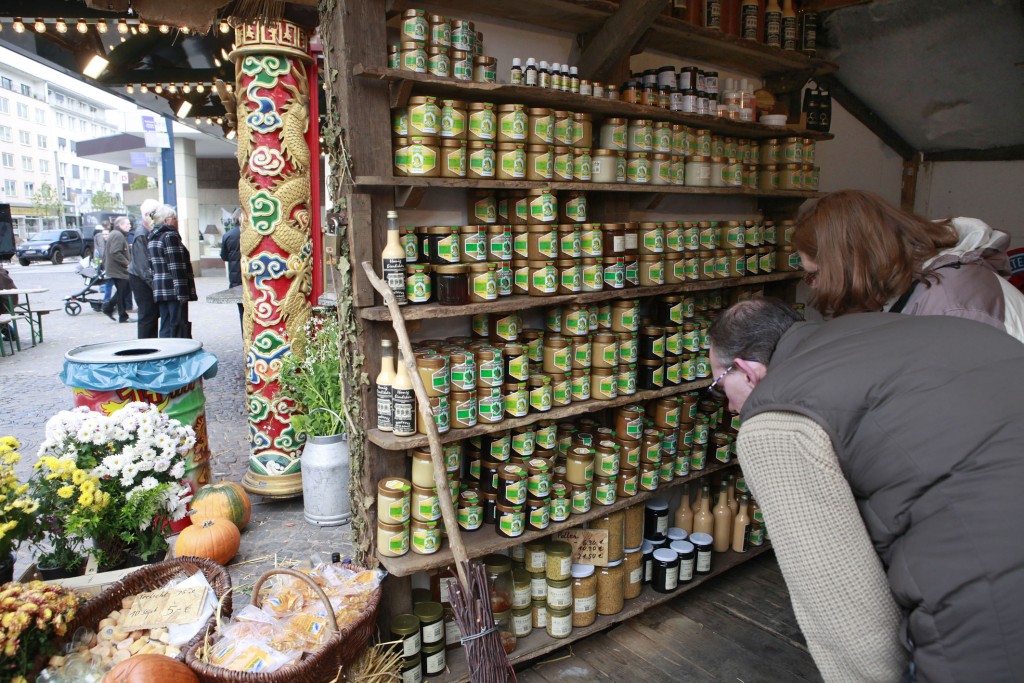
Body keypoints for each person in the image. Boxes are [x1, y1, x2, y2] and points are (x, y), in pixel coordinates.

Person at [708, 297, 1024, 683]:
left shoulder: (777, 425)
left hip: (990, 607)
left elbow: (844, 608)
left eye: (719, 386)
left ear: (748, 371)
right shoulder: (883, 331)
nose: (729, 407)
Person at [793, 189, 1024, 341]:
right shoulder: (910, 286)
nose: (815, 286)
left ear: (855, 262)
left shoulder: (951, 306)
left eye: (816, 274)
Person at [148, 205, 190, 338]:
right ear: (166, 221)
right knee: (177, 324)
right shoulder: (170, 236)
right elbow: (176, 267)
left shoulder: (153, 237)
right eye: (174, 218)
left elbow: (151, 266)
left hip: (160, 288)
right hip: (173, 289)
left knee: (165, 324)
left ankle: (165, 347)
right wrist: (182, 293)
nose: (177, 221)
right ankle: (178, 348)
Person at [129, 199, 160, 338]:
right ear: (148, 215)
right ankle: (145, 345)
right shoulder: (142, 234)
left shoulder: (147, 232)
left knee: (150, 315)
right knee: (147, 315)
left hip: (142, 278)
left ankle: (150, 343)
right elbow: (143, 266)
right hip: (141, 280)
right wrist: (154, 285)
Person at [101, 217, 131, 323]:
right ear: (120, 225)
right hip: (118, 270)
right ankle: (112, 309)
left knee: (122, 291)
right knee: (124, 291)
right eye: (127, 224)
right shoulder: (118, 235)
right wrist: (127, 263)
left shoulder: (117, 234)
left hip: (116, 269)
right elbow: (115, 252)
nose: (130, 226)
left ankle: (119, 313)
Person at [220, 219, 243, 328]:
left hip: (236, 279)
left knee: (242, 311)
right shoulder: (251, 234)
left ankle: (245, 336)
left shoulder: (228, 235)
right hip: (251, 278)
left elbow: (224, 256)